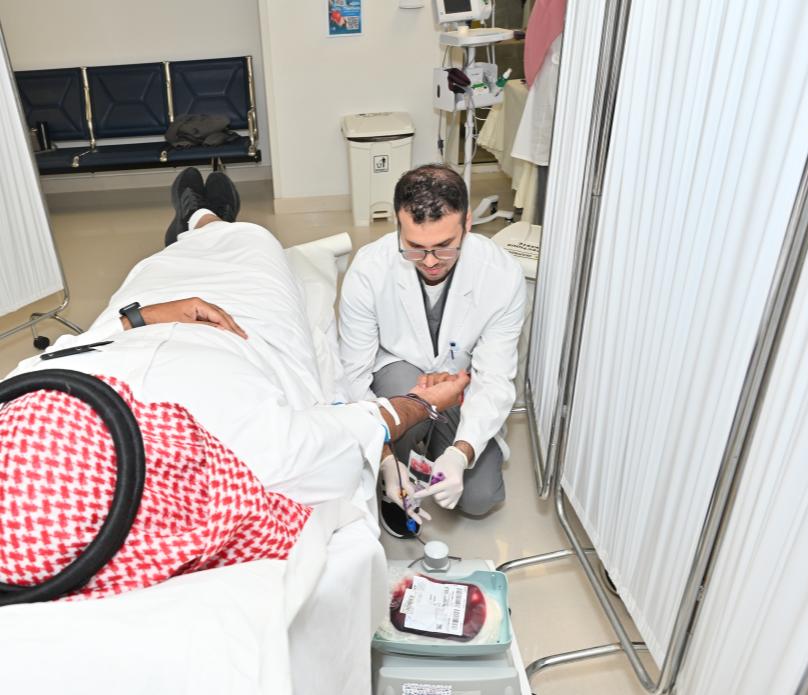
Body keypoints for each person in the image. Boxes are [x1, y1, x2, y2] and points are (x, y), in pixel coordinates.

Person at [0, 167, 469, 598]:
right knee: (256, 245)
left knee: (161, 268)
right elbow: (343, 431)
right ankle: (209, 219)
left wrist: (138, 317)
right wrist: (422, 404)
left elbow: (59, 353)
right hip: (242, 326)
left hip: (146, 319)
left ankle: (197, 222)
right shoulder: (234, 455)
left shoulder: (30, 398)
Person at [338, 163, 527, 535]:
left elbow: (495, 378)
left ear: (467, 223)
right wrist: (385, 458)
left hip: (461, 382)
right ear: (398, 224)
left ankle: (438, 446)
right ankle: (399, 466)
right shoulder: (369, 271)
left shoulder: (502, 276)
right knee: (401, 395)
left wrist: (461, 453)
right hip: (398, 377)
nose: (429, 262)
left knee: (479, 497)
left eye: (443, 247)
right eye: (414, 248)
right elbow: (352, 375)